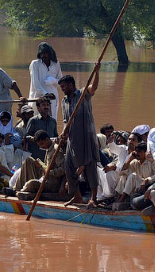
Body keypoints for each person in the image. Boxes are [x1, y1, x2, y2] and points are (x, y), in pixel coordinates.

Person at [58, 73, 101, 206]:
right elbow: (66, 120)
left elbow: (93, 87)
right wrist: (63, 133)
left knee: (90, 166)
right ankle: (77, 196)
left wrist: (97, 71)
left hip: (87, 137)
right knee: (69, 166)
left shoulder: (83, 94)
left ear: (71, 85)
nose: (62, 89)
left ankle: (94, 198)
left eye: (63, 86)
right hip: (72, 139)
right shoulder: (64, 101)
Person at [29, 42, 63, 119]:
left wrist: (54, 81)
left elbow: (61, 81)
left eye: (45, 53)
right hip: (38, 97)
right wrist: (46, 94)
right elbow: (36, 84)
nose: (43, 55)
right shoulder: (35, 64)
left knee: (52, 120)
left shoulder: (56, 64)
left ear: (50, 54)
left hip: (53, 98)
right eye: (41, 53)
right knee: (37, 119)